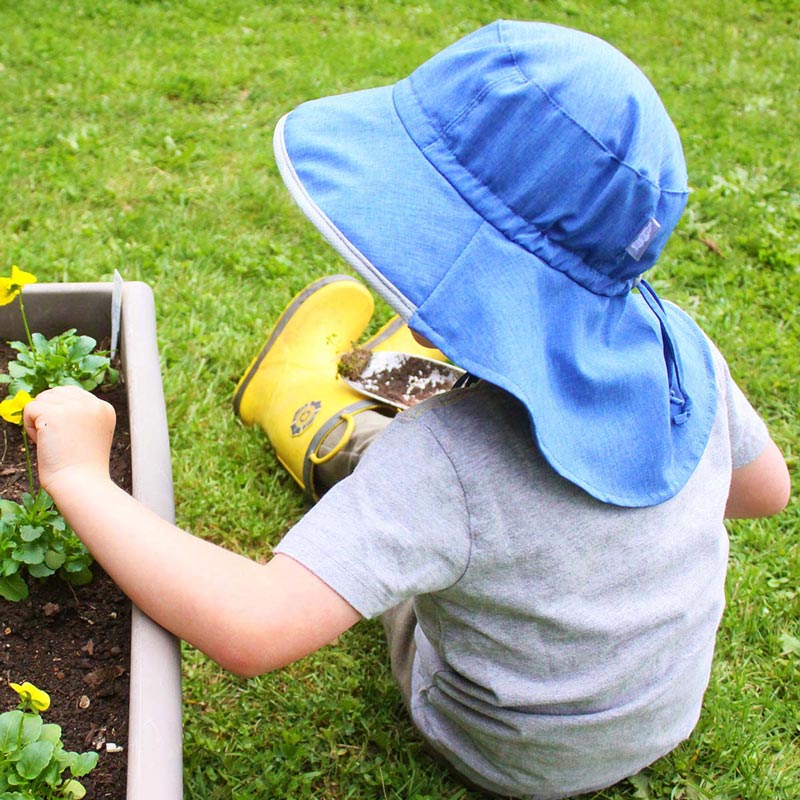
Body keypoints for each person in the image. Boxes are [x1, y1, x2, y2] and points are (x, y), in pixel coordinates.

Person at [24, 20, 790, 800]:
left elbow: (252, 625)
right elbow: (764, 492)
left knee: (399, 482)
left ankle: (307, 409)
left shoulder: (442, 465)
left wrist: (82, 476)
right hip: (656, 717)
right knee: (465, 491)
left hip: (496, 748)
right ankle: (402, 372)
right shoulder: (683, 352)